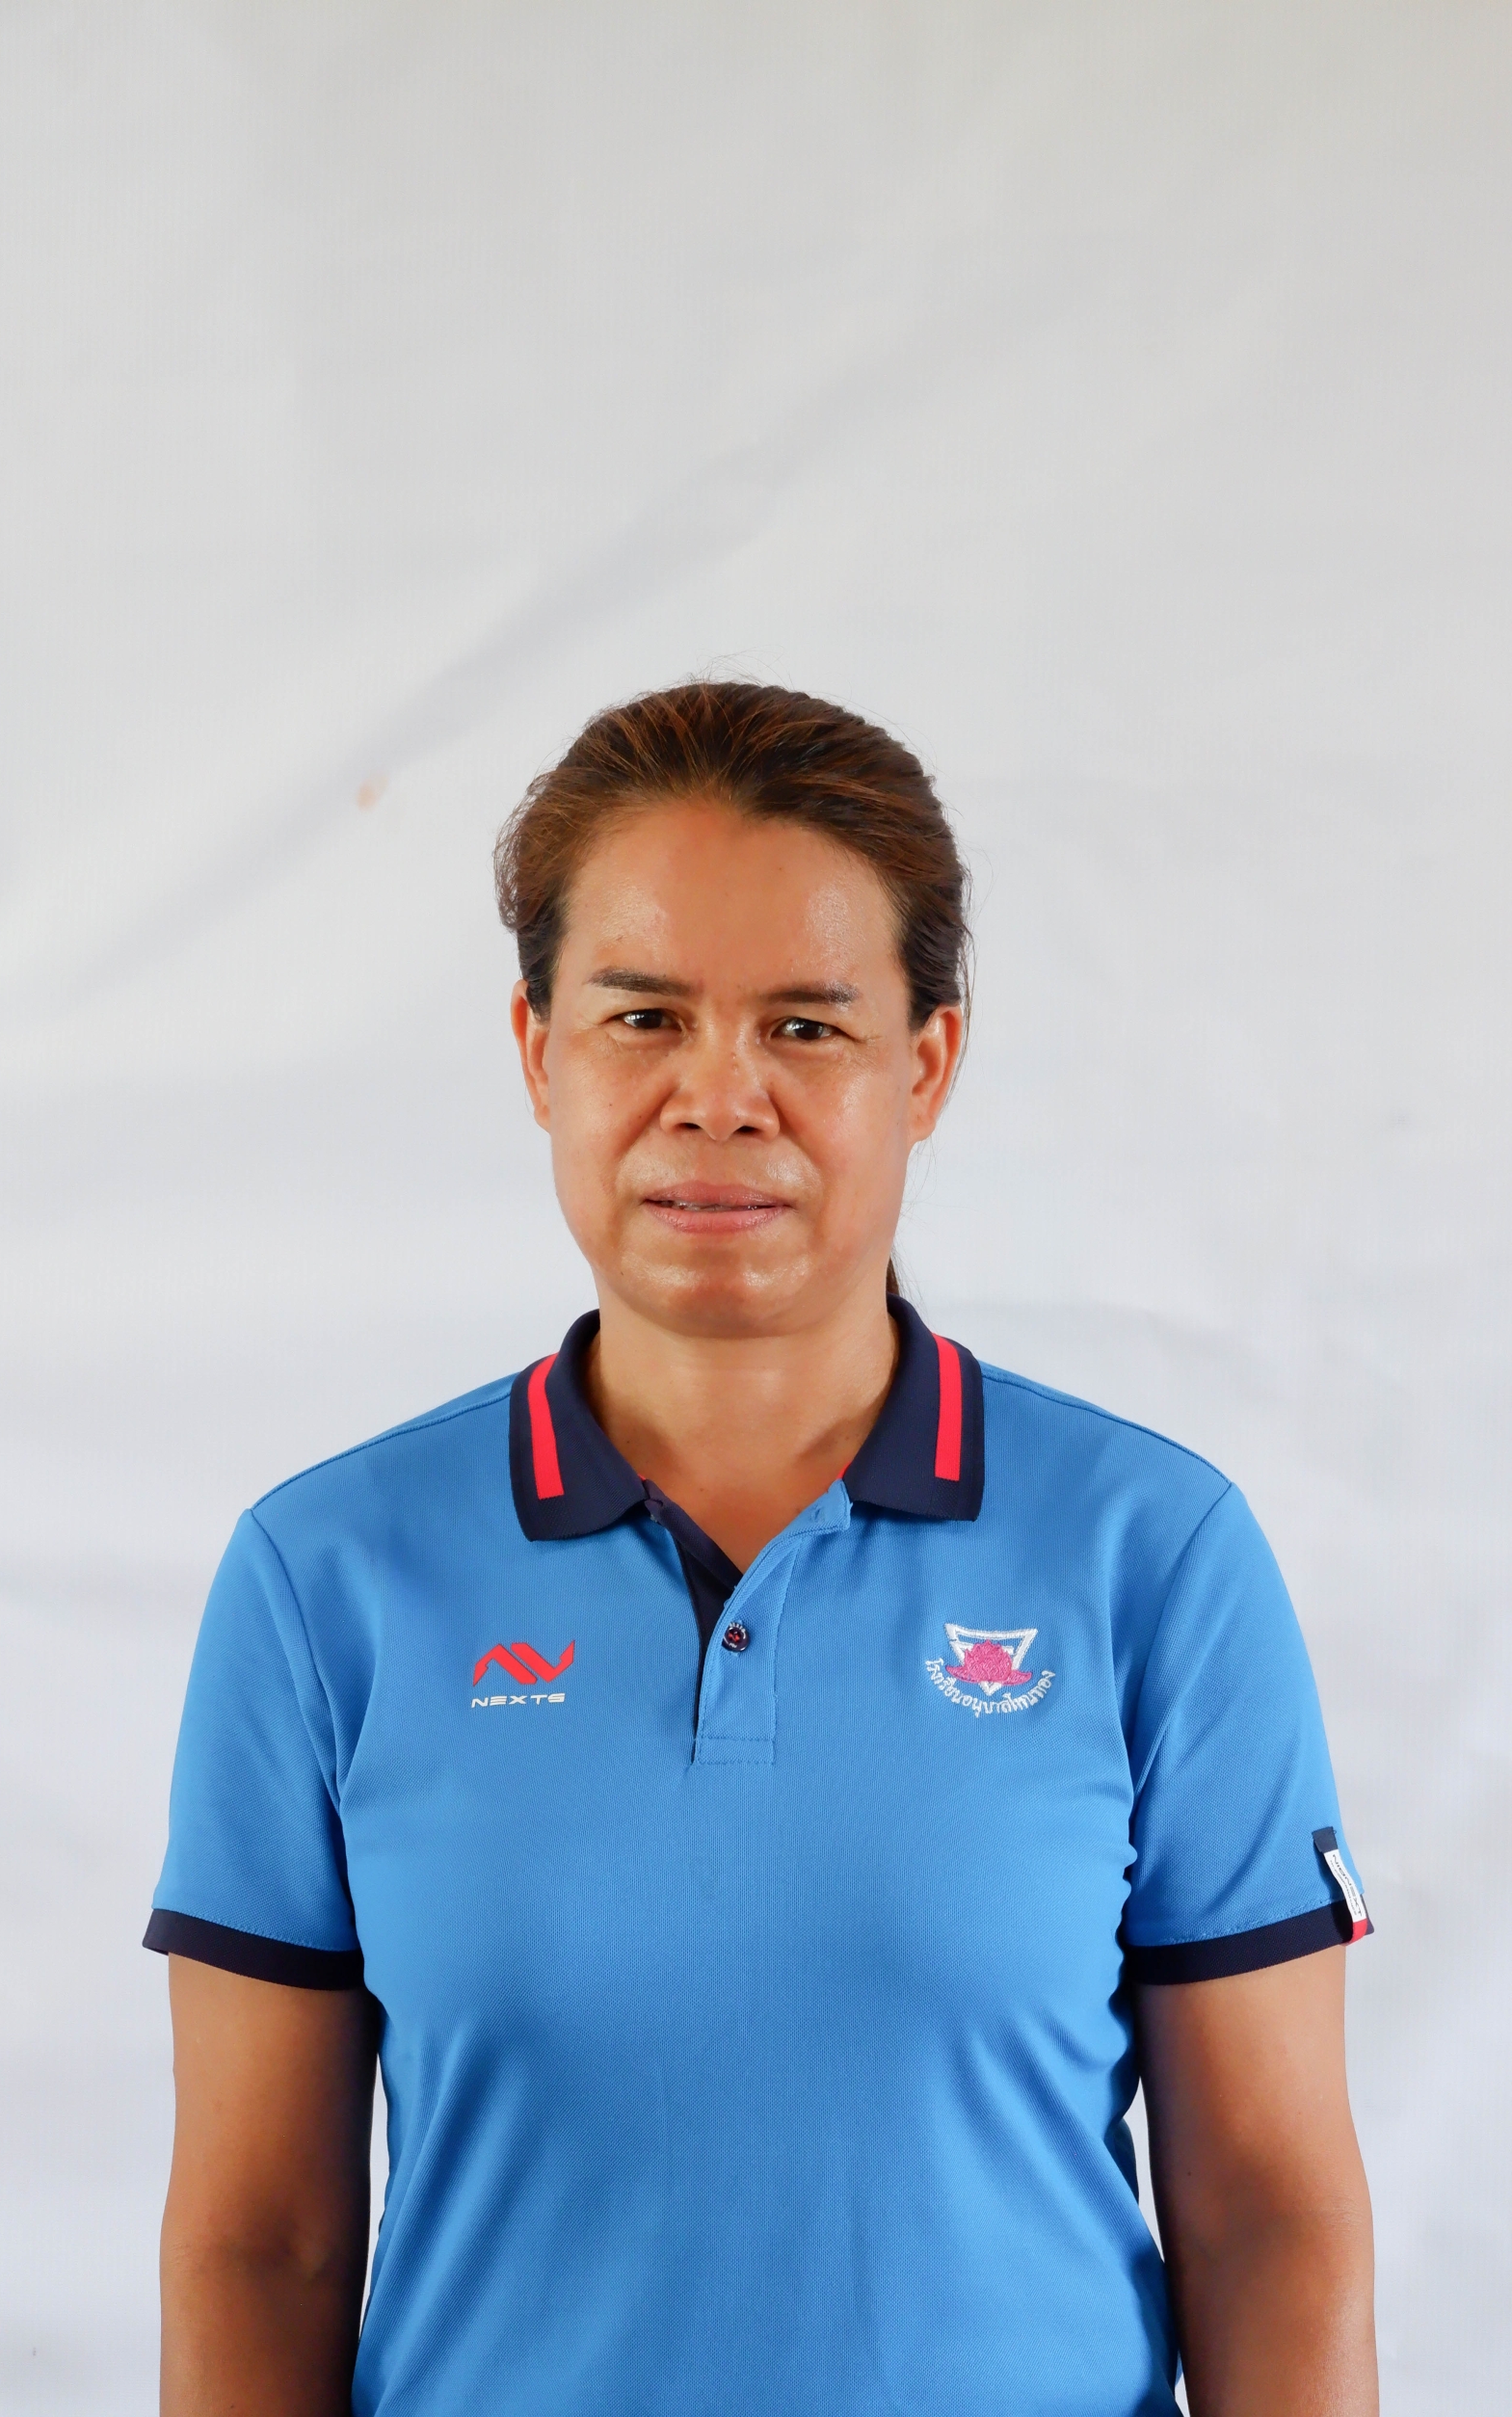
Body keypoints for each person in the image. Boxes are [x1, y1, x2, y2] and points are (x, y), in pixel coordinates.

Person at [147, 682, 1378, 2417]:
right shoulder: (325, 1581)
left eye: (805, 1026)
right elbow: (258, 2243)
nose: (718, 1098)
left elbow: (1267, 2218)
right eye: (643, 1017)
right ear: (540, 1053)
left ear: (924, 1065)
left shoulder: (1155, 1559)